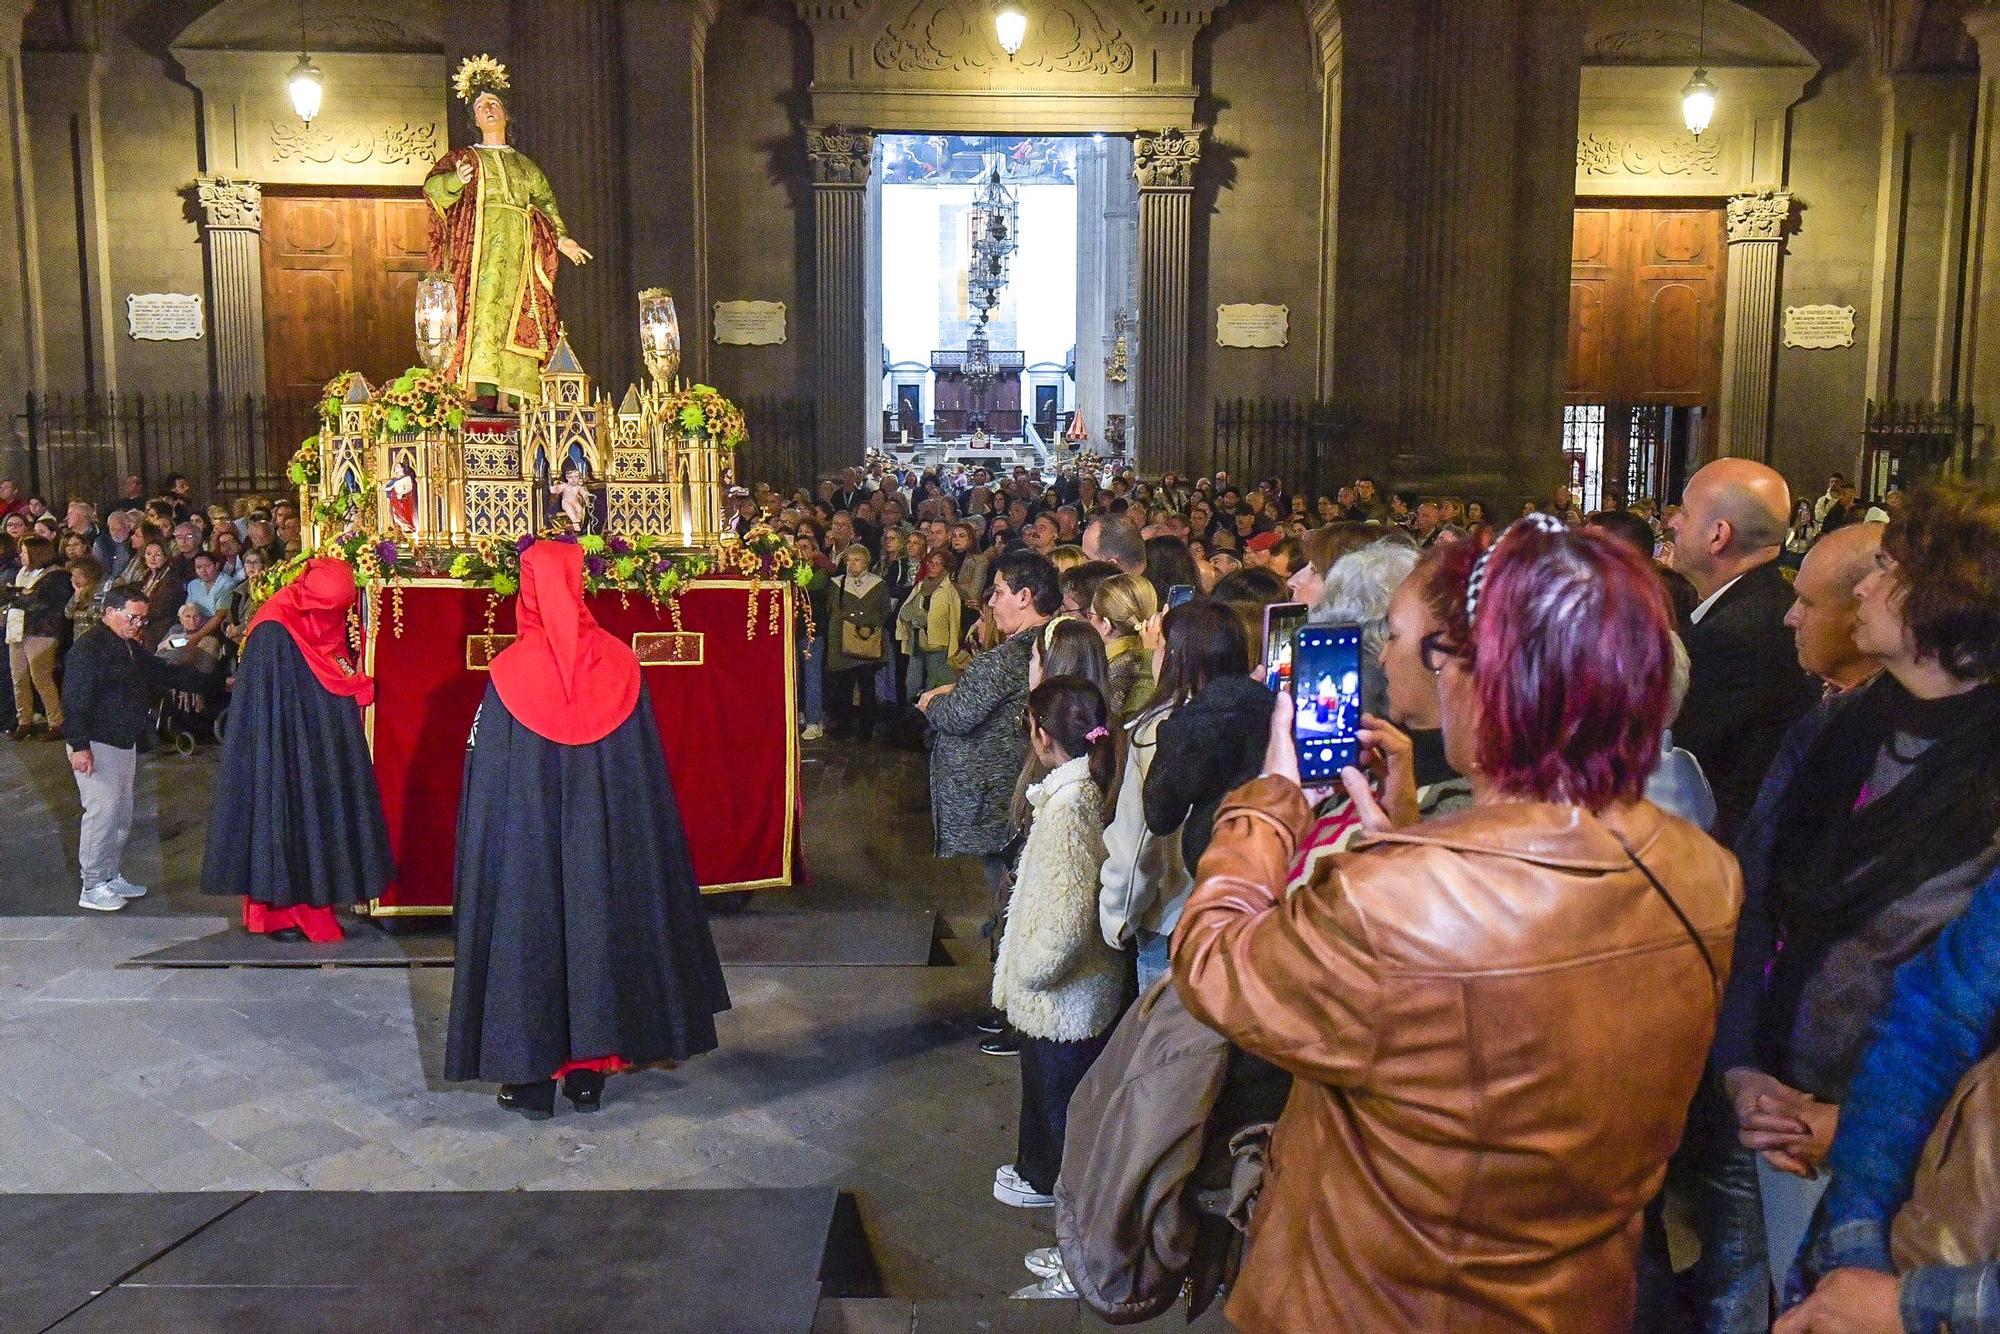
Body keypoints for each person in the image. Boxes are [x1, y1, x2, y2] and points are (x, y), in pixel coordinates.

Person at [1174, 518, 1741, 1332]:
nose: (1398, 663)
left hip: (1384, 1301)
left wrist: (1272, 800)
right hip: (1569, 1296)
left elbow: (1216, 964)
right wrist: (1402, 839)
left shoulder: (1401, 899)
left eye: (1408, 643)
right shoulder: (1701, 869)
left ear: (1483, 675)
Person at [1708, 484, 2000, 1301]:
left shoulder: (1986, 784)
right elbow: (1758, 897)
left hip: (1918, 1160)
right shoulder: (1841, 725)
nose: (1865, 588)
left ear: (1953, 606)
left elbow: (1957, 1012)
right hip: (1772, 1107)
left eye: (1891, 572)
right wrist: (1742, 1069)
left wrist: (1857, 1127)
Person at [447, 541, 729, 1118]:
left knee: (529, 938)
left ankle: (529, 1080)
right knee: (597, 932)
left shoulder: (508, 675)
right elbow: (642, 775)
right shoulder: (622, 664)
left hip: (528, 847)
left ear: (528, 590)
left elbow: (487, 778)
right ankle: (587, 1078)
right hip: (604, 845)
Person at [199, 558, 393, 943]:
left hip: (316, 744)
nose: (331, 616)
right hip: (283, 747)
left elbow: (331, 663)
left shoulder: (321, 614)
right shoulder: (274, 628)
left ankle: (294, 907)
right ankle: (283, 912)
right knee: (282, 816)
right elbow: (275, 700)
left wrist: (349, 691)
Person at [991, 676, 1123, 1212]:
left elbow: (1067, 914)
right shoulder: (1083, 789)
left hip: (1061, 995)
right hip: (1075, 990)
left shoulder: (1067, 806)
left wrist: (1031, 970)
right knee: (1051, 1090)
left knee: (1056, 1093)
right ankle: (1040, 1170)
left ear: (1042, 736)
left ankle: (1050, 1183)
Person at [423, 56, 592, 408]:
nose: (488, 109)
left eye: (494, 103)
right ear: (474, 119)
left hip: (519, 254)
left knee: (519, 318)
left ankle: (512, 397)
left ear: (505, 115)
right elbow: (433, 192)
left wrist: (561, 239)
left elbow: (546, 206)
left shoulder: (524, 165)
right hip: (478, 255)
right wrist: (456, 180)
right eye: (481, 105)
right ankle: (476, 394)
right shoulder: (465, 158)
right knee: (481, 315)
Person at [1669, 458, 1820, 842]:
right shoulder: (1765, 603)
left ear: (1718, 535)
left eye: (1684, 513)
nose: (1672, 522)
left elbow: (1681, 762)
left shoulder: (1733, 637)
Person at [921, 549, 1059, 969]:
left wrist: (931, 703)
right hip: (1015, 784)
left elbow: (960, 715)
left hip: (998, 791)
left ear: (1025, 596)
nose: (992, 602)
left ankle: (1006, 953)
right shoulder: (1050, 642)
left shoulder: (1007, 657)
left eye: (999, 592)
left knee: (1007, 878)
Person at [61, 586, 206, 911]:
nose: (138, 624)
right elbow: (73, 700)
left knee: (121, 813)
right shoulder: (88, 650)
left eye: (143, 618)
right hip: (95, 742)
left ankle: (110, 875)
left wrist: (213, 681)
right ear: (109, 612)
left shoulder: (126, 646)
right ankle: (93, 883)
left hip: (122, 741)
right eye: (132, 617)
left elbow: (160, 671)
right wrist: (80, 745)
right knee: (103, 813)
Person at [1141, 599, 1265, 880]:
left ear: (1179, 657)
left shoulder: (1187, 726)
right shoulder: (1273, 704)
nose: (1154, 654)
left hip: (1221, 875)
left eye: (1160, 645)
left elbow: (1160, 816)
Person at [1785, 520, 1885, 694]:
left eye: (1807, 603)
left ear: (1864, 612)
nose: (1789, 618)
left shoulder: (1895, 717)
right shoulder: (1794, 692)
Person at [7, 535, 70, 739]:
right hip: (19, 630)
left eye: (24, 552)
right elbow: (22, 597)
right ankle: (23, 720)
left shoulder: (56, 576)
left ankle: (56, 721)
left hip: (42, 632)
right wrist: (20, 595)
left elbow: (39, 602)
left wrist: (18, 596)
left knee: (40, 676)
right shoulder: (23, 573)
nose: (21, 556)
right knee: (18, 677)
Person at [825, 543, 887, 741]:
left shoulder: (877, 584)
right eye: (849, 560)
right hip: (843, 641)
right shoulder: (837, 583)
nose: (852, 564)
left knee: (867, 687)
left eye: (857, 559)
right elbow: (832, 607)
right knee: (844, 686)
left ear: (866, 562)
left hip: (867, 641)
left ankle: (865, 730)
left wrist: (864, 624)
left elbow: (884, 609)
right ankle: (844, 727)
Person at [1086, 573, 1158, 721]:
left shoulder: (1109, 672)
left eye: (1090, 615)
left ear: (1106, 625)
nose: (1088, 621)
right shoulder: (1163, 657)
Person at [896, 548, 961, 699]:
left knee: (935, 683)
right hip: (917, 641)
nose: (932, 567)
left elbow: (954, 623)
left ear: (945, 569)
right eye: (931, 563)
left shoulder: (949, 592)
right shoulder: (920, 586)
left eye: (938, 564)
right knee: (912, 682)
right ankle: (911, 714)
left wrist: (953, 651)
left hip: (938, 644)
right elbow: (905, 609)